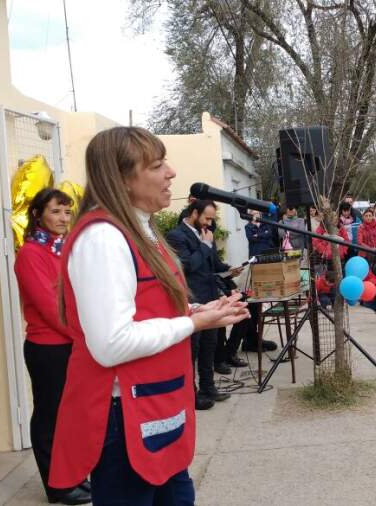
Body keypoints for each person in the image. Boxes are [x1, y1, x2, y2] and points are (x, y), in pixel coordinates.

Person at [49, 127, 249, 502]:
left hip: (153, 407)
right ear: (122, 178)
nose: (171, 173)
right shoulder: (104, 238)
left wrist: (197, 310)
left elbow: (147, 307)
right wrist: (191, 323)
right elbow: (111, 343)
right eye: (157, 166)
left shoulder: (139, 229)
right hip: (126, 416)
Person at [14, 189, 91, 505]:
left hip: (71, 343)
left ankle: (72, 476)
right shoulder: (30, 253)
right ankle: (57, 486)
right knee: (51, 416)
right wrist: (84, 335)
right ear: (38, 215)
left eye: (67, 212)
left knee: (70, 416)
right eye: (56, 211)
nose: (63, 218)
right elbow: (50, 307)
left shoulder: (64, 249)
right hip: (48, 347)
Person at [167, 199, 242, 409]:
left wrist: (229, 270)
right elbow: (188, 266)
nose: (209, 223)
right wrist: (205, 245)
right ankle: (191, 394)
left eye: (212, 219)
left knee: (210, 346)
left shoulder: (206, 234)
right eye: (206, 218)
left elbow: (213, 264)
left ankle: (209, 388)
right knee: (193, 349)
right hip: (193, 299)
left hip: (210, 297)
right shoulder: (176, 236)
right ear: (194, 213)